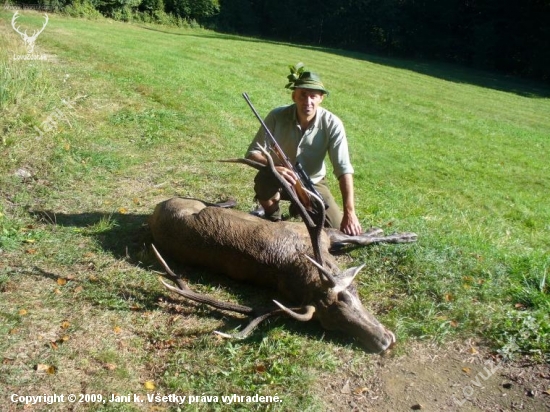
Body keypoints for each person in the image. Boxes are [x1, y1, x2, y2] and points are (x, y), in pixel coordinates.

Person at [245, 66, 363, 236]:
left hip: (312, 182)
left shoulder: (332, 124)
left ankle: (297, 207)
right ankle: (274, 219)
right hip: (280, 176)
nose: (308, 101)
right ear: (294, 96)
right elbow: (252, 153)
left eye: (313, 96)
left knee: (335, 228)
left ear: (321, 98)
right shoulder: (276, 116)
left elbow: (343, 169)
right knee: (264, 180)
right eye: (303, 95)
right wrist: (274, 168)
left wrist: (350, 213)